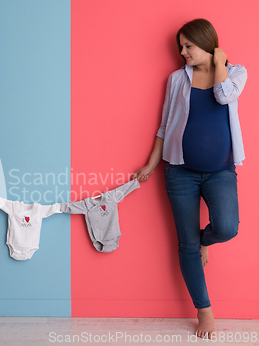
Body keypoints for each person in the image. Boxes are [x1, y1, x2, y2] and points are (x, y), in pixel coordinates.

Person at [133, 19, 247, 339]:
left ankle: (204, 239)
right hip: (179, 171)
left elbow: (225, 97)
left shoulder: (236, 72)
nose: (182, 52)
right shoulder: (176, 79)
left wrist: (220, 62)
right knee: (186, 244)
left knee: (227, 227)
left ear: (206, 43)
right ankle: (204, 310)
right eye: (180, 47)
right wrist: (151, 165)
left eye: (188, 46)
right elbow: (164, 125)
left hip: (220, 171)